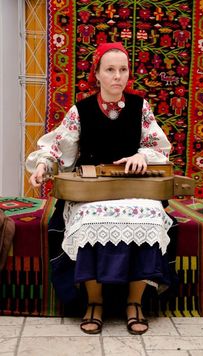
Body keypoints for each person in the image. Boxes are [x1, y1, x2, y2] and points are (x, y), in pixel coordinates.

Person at [26, 42, 177, 335]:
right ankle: (94, 302)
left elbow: (158, 147)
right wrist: (44, 166)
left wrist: (141, 156)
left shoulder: (140, 107)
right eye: (110, 70)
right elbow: (58, 148)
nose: (117, 76)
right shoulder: (80, 110)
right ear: (96, 74)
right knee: (88, 220)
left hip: (134, 187)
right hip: (91, 188)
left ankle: (135, 303)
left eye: (123, 70)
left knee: (148, 217)